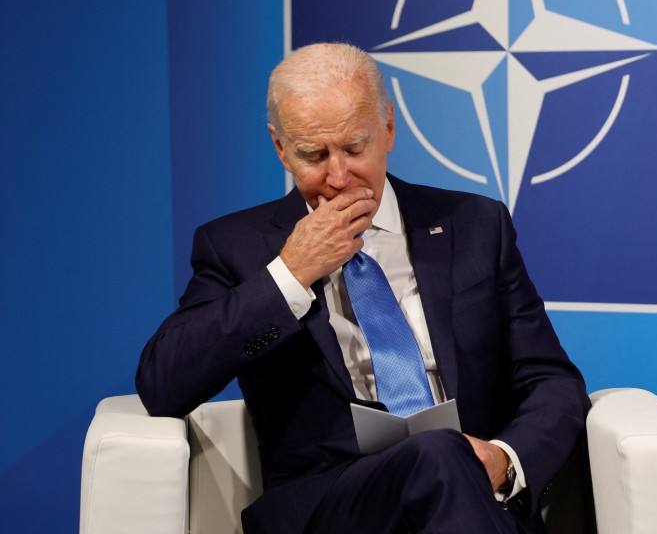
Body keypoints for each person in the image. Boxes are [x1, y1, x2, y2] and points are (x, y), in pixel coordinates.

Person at [136, 42, 590, 534]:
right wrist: (290, 272)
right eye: (313, 155)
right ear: (280, 148)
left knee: (444, 456)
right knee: (438, 451)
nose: (337, 177)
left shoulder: (476, 225)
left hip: (475, 493)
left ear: (388, 127)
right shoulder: (236, 247)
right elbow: (164, 385)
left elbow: (553, 381)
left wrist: (503, 461)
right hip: (330, 506)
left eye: (355, 148)